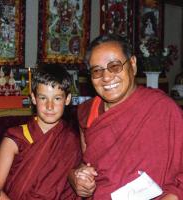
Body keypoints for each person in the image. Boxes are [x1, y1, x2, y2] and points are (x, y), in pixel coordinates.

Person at [68, 34, 183, 199]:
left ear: (133, 64)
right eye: (97, 71)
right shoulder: (87, 111)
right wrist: (76, 178)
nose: (106, 77)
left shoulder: (163, 109)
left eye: (114, 66)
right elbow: (86, 163)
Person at [0, 64, 81, 200]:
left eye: (57, 98)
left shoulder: (72, 140)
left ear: (67, 99)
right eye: (43, 98)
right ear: (33, 98)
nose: (50, 106)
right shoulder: (15, 138)